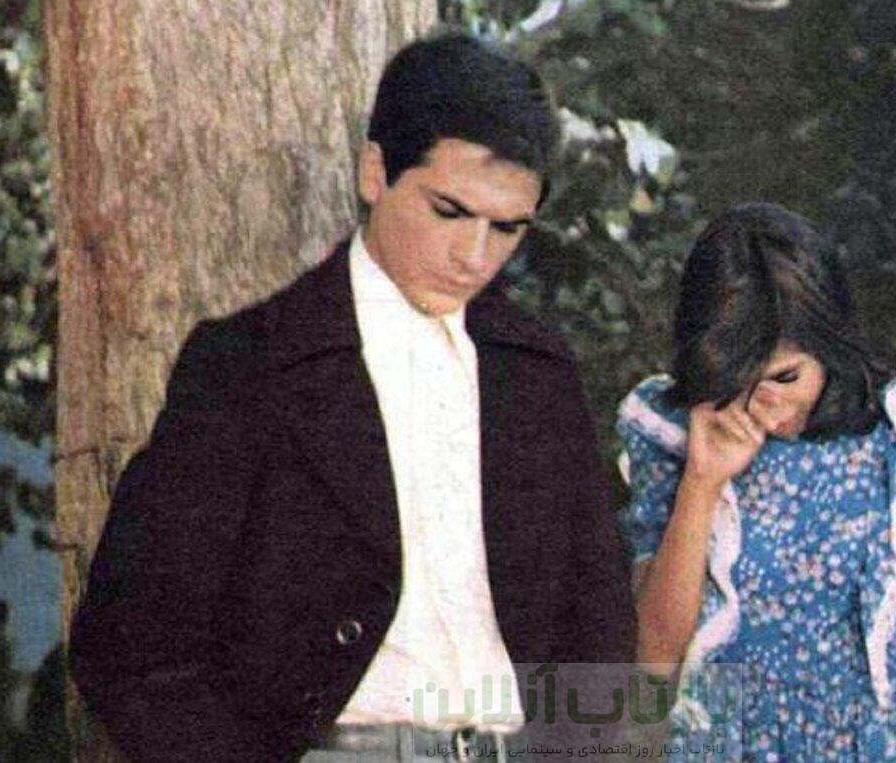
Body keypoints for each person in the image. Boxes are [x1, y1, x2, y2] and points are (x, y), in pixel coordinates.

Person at [69, 34, 634, 763]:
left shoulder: (539, 373)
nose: (474, 256)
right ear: (375, 172)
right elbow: (130, 649)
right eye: (449, 210)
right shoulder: (249, 366)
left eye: (506, 228)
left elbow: (598, 623)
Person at [616, 203, 896, 761]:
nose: (764, 406)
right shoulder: (675, 437)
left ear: (830, 342)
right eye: (737, 382)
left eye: (785, 377)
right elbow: (653, 660)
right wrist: (701, 482)